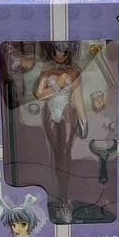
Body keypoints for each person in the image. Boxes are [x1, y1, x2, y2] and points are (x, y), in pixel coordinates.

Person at [33, 42, 88, 224]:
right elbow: (39, 95)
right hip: (50, 113)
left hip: (67, 113)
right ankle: (60, 198)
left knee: (64, 153)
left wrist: (83, 120)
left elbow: (78, 97)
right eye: (57, 50)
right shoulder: (46, 72)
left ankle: (64, 201)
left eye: (65, 51)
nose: (61, 54)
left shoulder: (74, 72)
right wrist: (57, 85)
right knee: (57, 154)